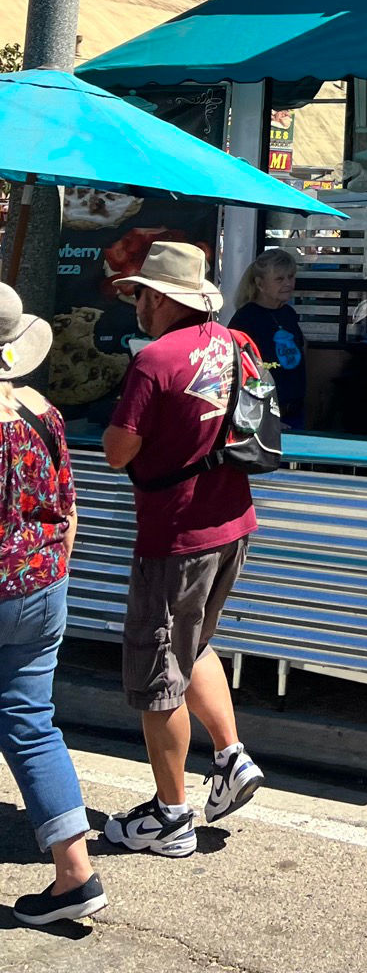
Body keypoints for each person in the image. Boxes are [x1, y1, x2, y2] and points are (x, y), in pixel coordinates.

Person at [100, 242, 265, 858]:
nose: (136, 303)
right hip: (233, 523)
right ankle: (229, 758)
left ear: (163, 297)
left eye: (140, 292)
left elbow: (118, 451)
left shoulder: (154, 361)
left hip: (176, 535)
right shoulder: (235, 343)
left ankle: (170, 817)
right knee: (193, 644)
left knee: (158, 675)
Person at [0, 284, 107, 928]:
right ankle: (75, 871)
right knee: (30, 723)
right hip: (42, 585)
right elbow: (68, 510)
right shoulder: (42, 410)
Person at [230, 249, 305, 429]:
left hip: (294, 411)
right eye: (279, 279)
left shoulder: (288, 314)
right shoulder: (245, 319)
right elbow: (240, 373)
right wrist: (266, 419)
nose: (288, 283)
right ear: (260, 284)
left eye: (291, 276)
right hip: (264, 418)